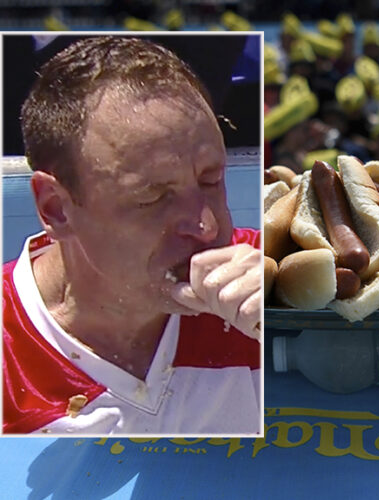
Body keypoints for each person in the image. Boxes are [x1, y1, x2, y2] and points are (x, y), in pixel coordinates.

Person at [3, 36, 263, 435]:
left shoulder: (271, 278)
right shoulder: (10, 354)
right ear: (56, 208)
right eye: (153, 198)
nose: (207, 226)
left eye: (211, 180)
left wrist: (298, 324)